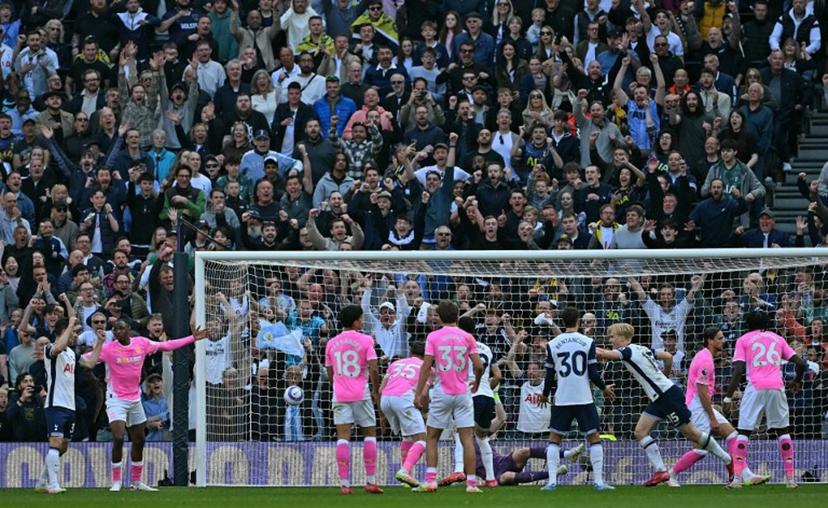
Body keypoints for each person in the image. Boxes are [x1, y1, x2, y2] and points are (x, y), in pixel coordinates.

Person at [596, 323, 732, 487]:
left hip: (667, 396)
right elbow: (667, 356)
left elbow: (602, 353)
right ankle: (661, 471)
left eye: (612, 336)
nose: (611, 340)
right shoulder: (641, 348)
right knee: (640, 432)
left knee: (692, 434)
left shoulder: (627, 351)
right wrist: (664, 376)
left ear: (622, 337)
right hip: (659, 396)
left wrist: (584, 344)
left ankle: (728, 460)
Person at [82, 319, 208, 491]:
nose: (118, 332)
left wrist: (192, 338)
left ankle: (136, 481)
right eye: (115, 329)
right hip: (116, 398)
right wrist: (97, 344)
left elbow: (168, 345)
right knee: (118, 437)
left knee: (139, 440)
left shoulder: (142, 344)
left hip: (135, 399)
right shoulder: (109, 349)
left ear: (128, 329)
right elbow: (84, 361)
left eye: (121, 328)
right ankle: (117, 481)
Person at [667, 326, 769, 488]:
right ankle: (670, 475)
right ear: (710, 340)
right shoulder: (705, 360)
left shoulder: (705, 356)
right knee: (700, 449)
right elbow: (701, 392)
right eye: (720, 338)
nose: (724, 341)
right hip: (696, 407)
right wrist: (713, 417)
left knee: (732, 434)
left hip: (701, 405)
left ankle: (745, 475)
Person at [724, 311, 807, 488]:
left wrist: (728, 397)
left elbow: (738, 371)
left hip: (755, 387)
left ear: (748, 323)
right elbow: (800, 363)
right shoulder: (777, 338)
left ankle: (737, 479)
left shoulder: (743, 340)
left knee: (744, 432)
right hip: (776, 386)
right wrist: (797, 381)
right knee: (782, 431)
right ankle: (791, 480)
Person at [539, 306, 614, 492]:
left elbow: (549, 375)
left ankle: (552, 482)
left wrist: (545, 394)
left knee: (554, 438)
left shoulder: (553, 344)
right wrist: (604, 388)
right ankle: (598, 481)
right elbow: (593, 373)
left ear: (562, 322)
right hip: (583, 397)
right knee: (593, 437)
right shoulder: (587, 342)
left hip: (562, 398)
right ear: (579, 321)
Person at [413, 300, 483, 493]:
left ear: (441, 317)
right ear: (457, 315)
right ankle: (471, 484)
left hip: (443, 392)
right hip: (462, 393)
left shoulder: (433, 337)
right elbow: (479, 365)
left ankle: (431, 480)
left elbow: (426, 366)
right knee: (466, 438)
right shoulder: (467, 337)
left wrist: (418, 393)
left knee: (432, 436)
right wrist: (476, 381)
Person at [324, 304, 382, 495]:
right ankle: (371, 481)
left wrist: (340, 383)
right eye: (361, 318)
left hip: (340, 395)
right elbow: (373, 368)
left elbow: (330, 373)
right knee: (369, 434)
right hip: (361, 394)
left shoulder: (331, 343)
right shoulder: (366, 340)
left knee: (343, 438)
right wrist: (376, 390)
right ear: (356, 321)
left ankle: (345, 484)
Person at [33, 317, 93, 494]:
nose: (75, 335)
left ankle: (42, 481)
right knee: (55, 442)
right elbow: (58, 347)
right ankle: (53, 485)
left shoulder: (72, 354)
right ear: (65, 330)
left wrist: (100, 343)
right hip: (55, 404)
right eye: (73, 331)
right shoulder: (50, 348)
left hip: (70, 406)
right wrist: (70, 325)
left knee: (63, 446)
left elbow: (89, 363)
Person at [380, 340, 427, 487]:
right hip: (404, 398)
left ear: (410, 353)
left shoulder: (396, 363)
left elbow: (381, 389)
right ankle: (405, 471)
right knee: (422, 439)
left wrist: (382, 416)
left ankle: (406, 481)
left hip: (386, 399)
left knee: (407, 436)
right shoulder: (426, 368)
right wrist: (424, 409)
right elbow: (424, 394)